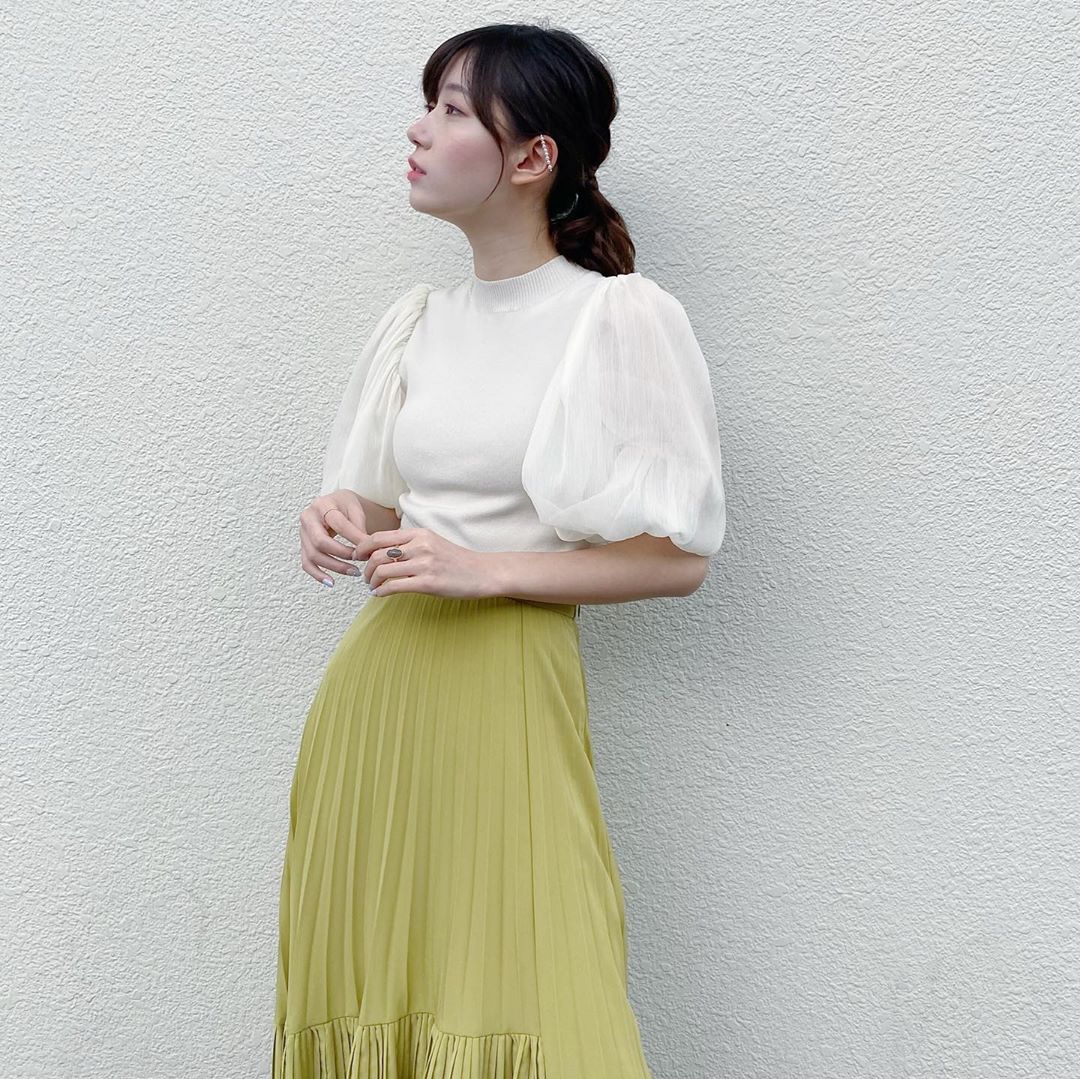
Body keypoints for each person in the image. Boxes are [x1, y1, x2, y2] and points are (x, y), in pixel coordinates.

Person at [273, 22, 727, 1079]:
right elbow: (391, 506)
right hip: (379, 687)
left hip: (509, 683)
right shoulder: (419, 321)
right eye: (427, 105)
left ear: (533, 157)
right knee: (379, 983)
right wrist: (338, 512)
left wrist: (492, 572)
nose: (419, 131)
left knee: (533, 985)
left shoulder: (618, 320)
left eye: (451, 110)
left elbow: (679, 558)